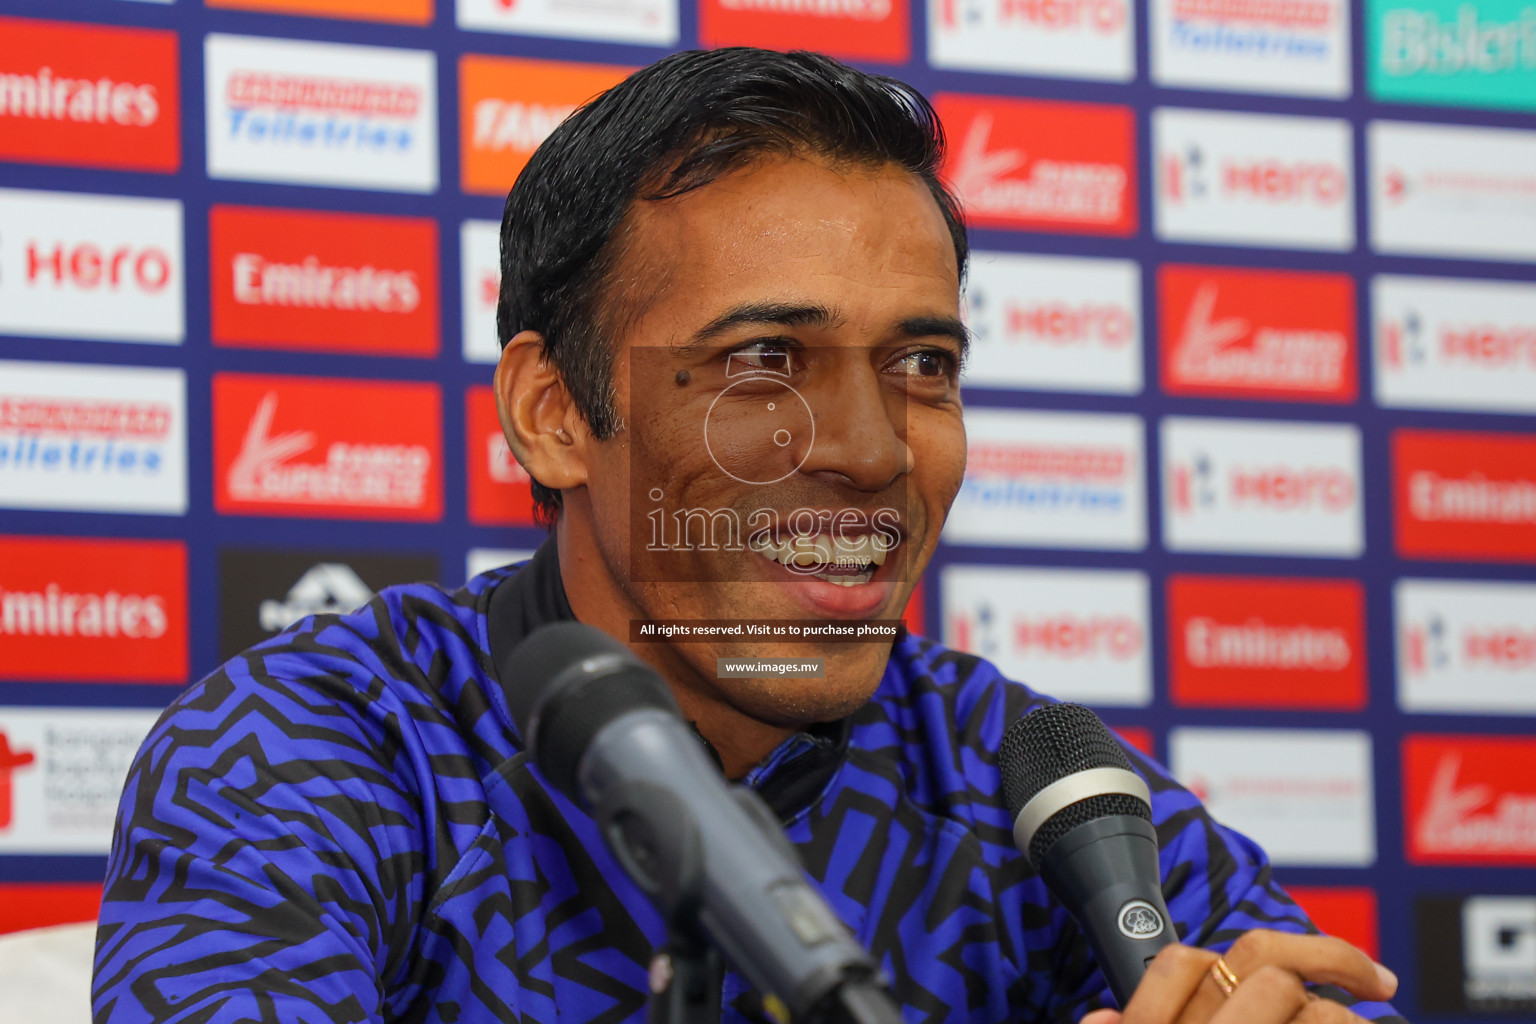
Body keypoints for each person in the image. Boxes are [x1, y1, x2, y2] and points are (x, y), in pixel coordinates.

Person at [93, 48, 1405, 1024]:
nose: (873, 447)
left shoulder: (1029, 788)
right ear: (555, 414)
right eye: (765, 359)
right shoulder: (326, 739)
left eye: (924, 364)